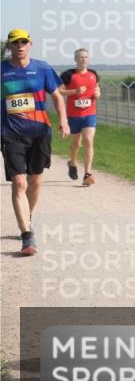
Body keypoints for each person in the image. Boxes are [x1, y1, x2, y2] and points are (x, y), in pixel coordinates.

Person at [1, 29, 69, 256]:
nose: (19, 45)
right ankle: (27, 236)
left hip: (40, 132)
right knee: (19, 183)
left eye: (23, 42)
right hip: (11, 134)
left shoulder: (42, 68)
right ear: (9, 46)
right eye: (15, 42)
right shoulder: (2, 70)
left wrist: (64, 121)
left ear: (30, 44)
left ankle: (27, 216)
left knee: (35, 180)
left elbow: (57, 95)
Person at [59, 47, 101, 186]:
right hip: (73, 114)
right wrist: (75, 91)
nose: (83, 59)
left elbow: (97, 90)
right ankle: (72, 163)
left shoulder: (93, 74)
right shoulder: (68, 74)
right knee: (76, 143)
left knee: (89, 140)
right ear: (75, 59)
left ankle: (87, 174)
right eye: (80, 57)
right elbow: (60, 91)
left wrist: (97, 94)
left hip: (89, 113)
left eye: (86, 57)